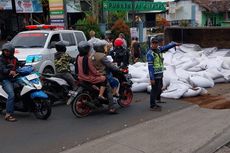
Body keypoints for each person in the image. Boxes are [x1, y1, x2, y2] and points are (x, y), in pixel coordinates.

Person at [76, 41, 117, 113]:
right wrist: (98, 74)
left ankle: (98, 100)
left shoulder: (79, 57)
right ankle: (111, 107)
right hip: (89, 77)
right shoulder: (89, 58)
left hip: (81, 77)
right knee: (106, 84)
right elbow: (92, 69)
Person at [147, 38, 180, 111]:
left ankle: (157, 100)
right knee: (154, 89)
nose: (155, 45)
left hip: (160, 73)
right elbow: (150, 67)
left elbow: (166, 47)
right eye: (153, 43)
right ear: (151, 44)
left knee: (160, 87)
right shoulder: (150, 54)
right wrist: (152, 78)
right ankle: (152, 105)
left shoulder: (159, 49)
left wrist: (174, 44)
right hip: (155, 74)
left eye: (156, 43)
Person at [0, 43, 19, 122]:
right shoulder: (1, 59)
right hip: (5, 79)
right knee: (11, 94)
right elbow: (2, 68)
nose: (6, 52)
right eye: (5, 51)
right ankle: (8, 114)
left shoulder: (14, 59)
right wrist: (9, 71)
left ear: (12, 51)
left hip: (14, 78)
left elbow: (18, 66)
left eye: (8, 51)